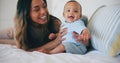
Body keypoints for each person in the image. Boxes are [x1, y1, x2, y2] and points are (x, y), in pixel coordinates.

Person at [14, 0, 90, 54]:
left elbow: (70, 35)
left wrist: (84, 39)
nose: (44, 11)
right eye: (37, 9)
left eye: (44, 6)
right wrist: (55, 41)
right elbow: (25, 49)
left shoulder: (54, 22)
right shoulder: (23, 30)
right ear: (26, 14)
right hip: (20, 29)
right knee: (8, 34)